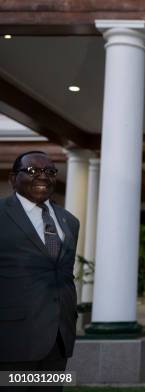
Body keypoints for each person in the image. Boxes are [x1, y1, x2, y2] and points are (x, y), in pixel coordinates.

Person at [0, 151, 80, 391]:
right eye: (33, 171)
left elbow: (64, 273)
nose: (43, 176)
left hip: (58, 339)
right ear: (13, 179)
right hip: (12, 340)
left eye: (50, 171)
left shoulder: (69, 220)